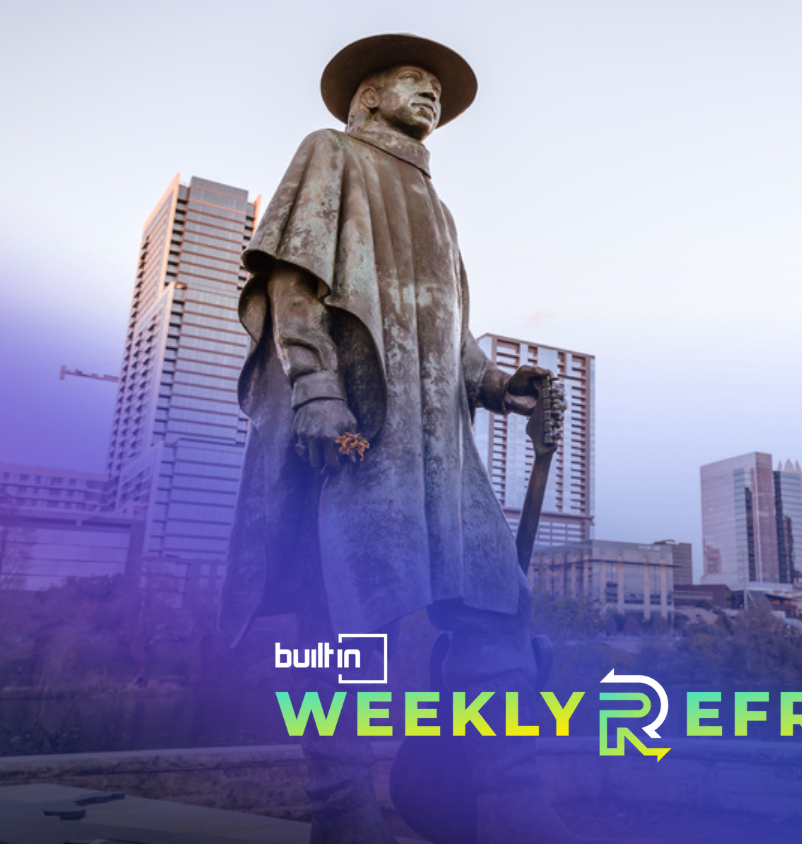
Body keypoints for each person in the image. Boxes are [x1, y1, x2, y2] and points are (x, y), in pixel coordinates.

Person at [220, 34, 602, 844]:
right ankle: (343, 808)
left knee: (497, 603)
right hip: (362, 433)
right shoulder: (331, 153)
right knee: (346, 614)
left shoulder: (437, 205)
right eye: (411, 80)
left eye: (437, 87)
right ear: (367, 96)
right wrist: (317, 393)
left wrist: (502, 385)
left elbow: (448, 333)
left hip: (443, 448)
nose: (428, 93)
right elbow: (292, 284)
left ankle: (508, 801)